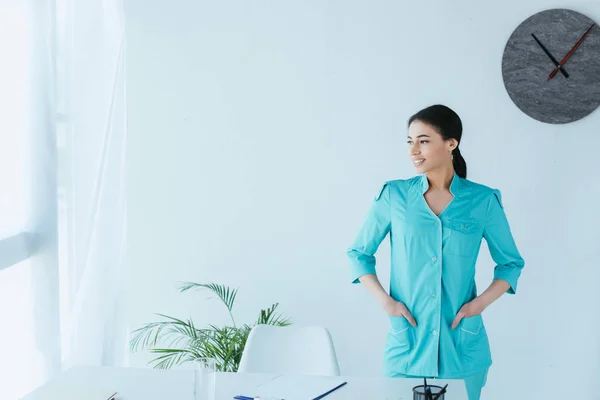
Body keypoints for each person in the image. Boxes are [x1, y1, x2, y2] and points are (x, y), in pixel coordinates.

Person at [346, 104, 525, 400]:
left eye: (423, 140)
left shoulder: (483, 200)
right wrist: (386, 303)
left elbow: (511, 263)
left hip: (462, 347)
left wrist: (478, 304)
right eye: (409, 141)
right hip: (408, 345)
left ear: (451, 143)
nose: (413, 150)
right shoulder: (394, 196)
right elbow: (358, 253)